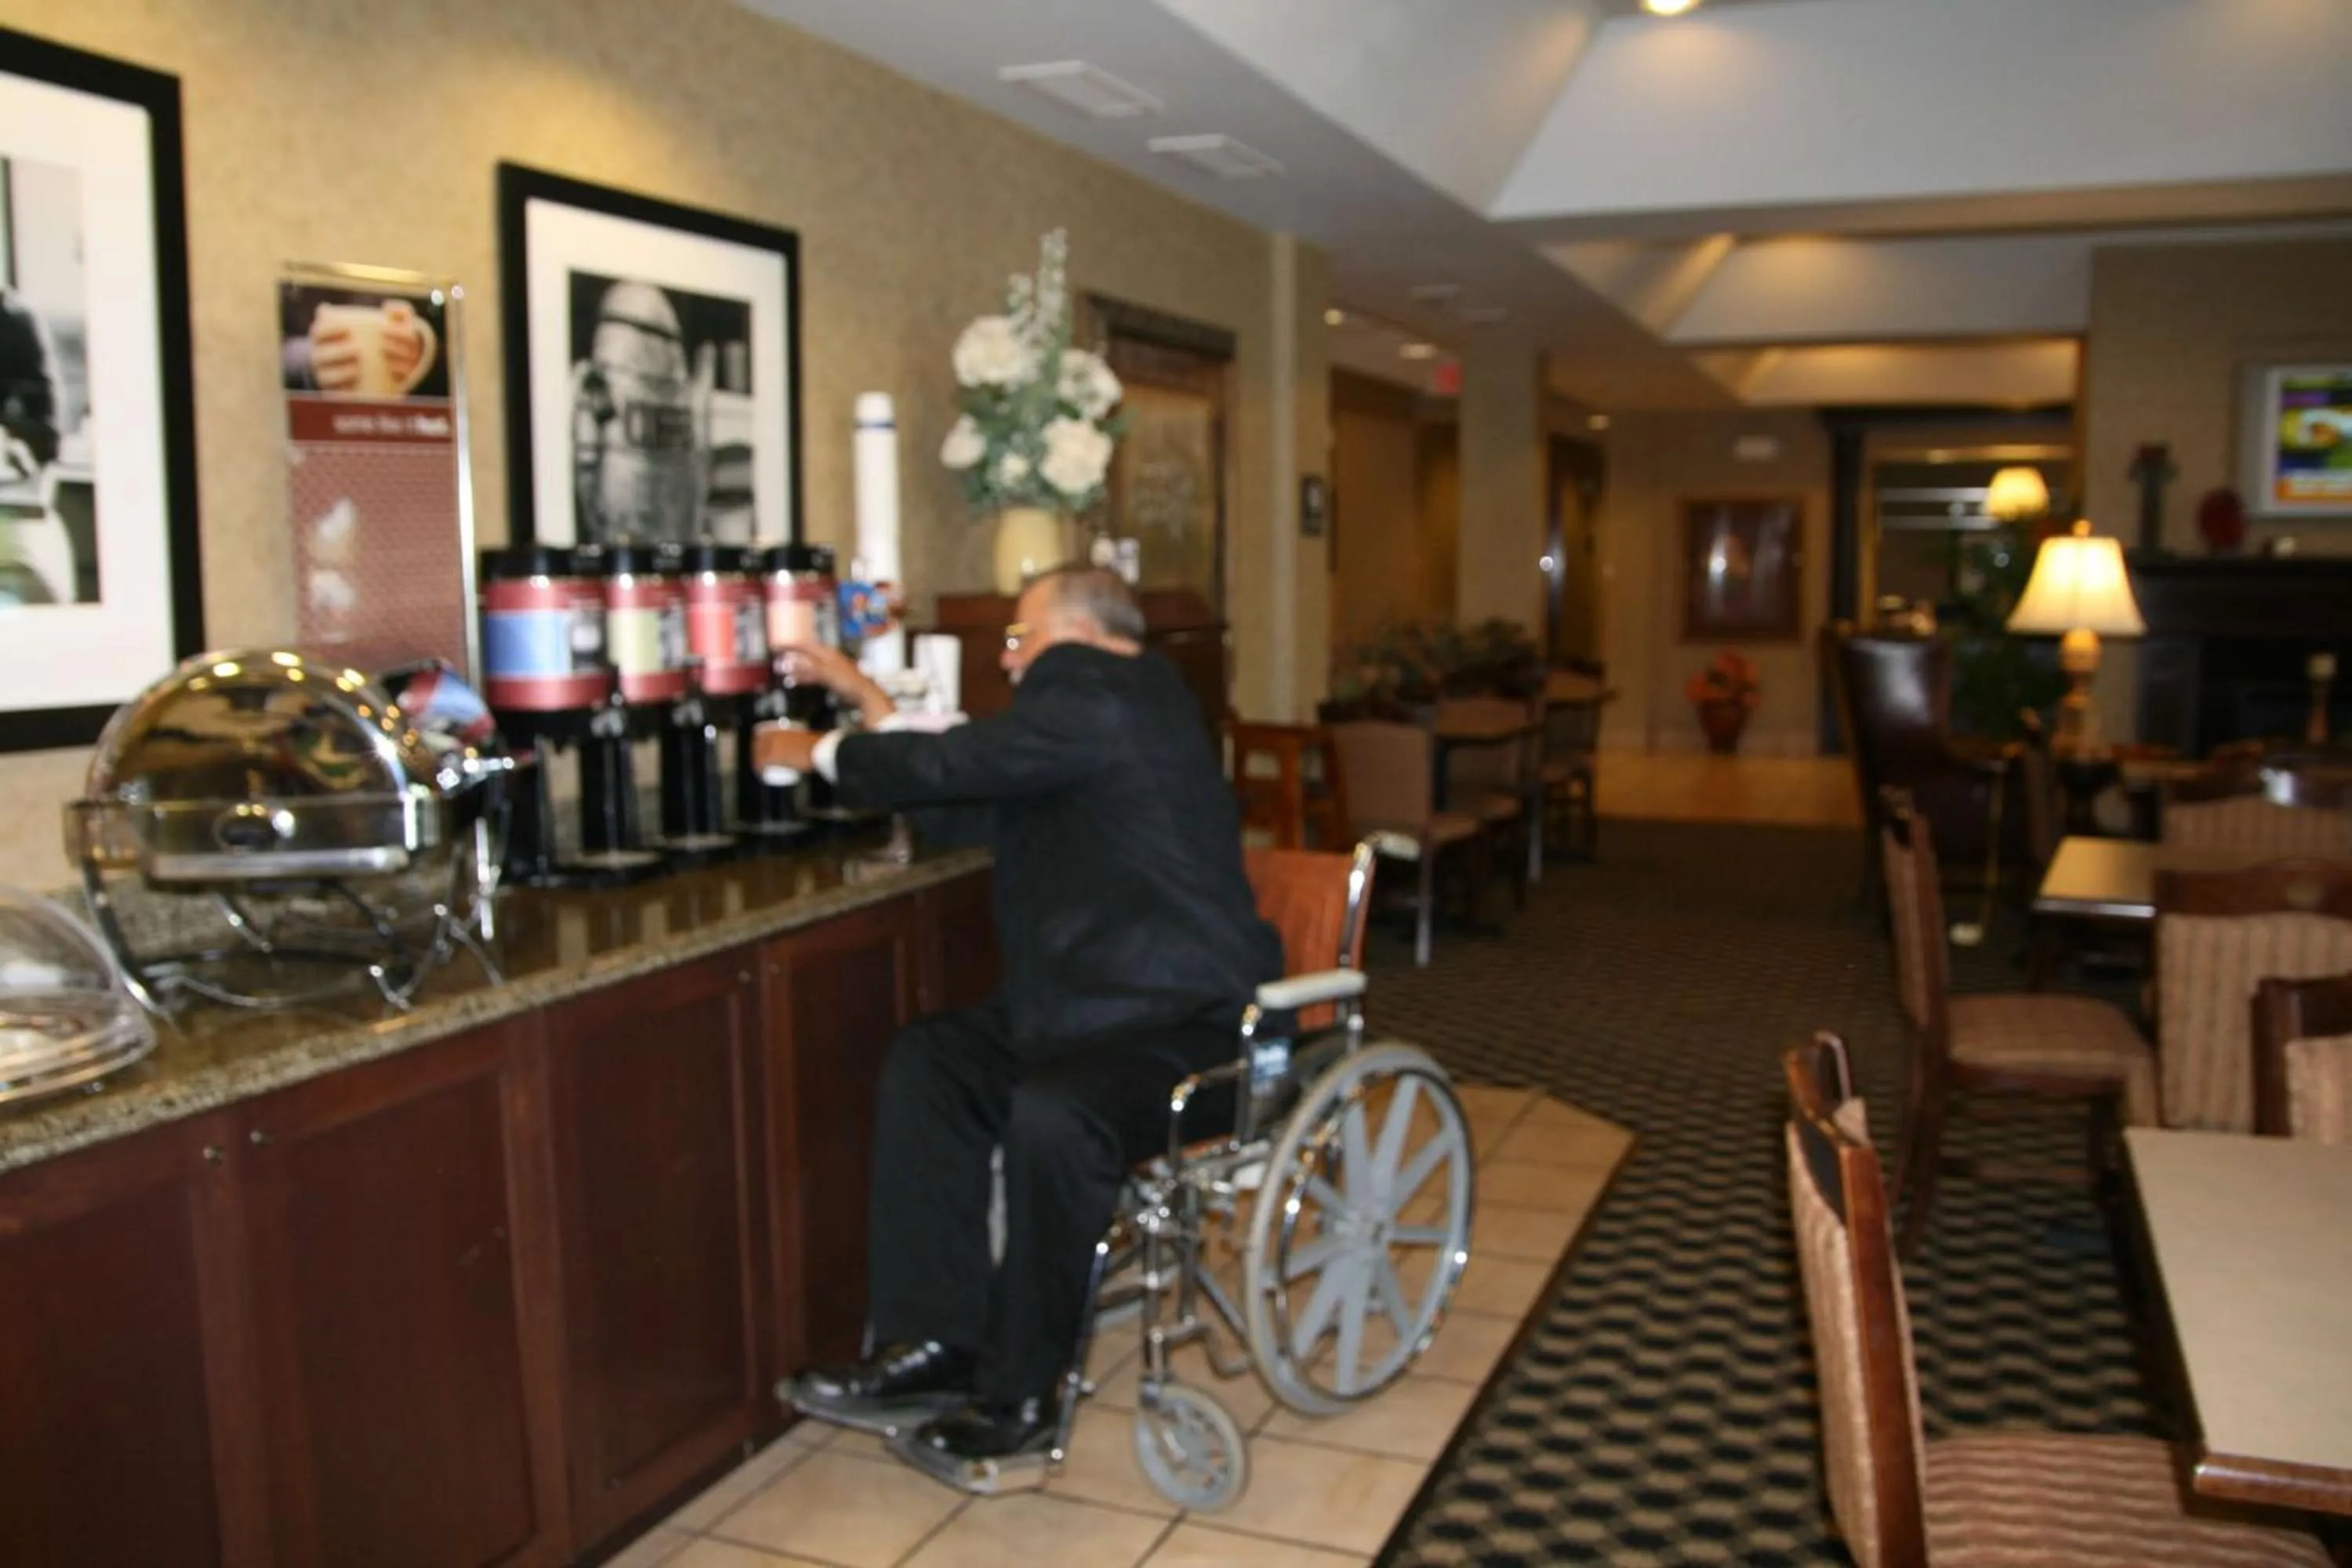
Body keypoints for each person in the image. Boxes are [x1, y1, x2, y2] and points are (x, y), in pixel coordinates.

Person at [756, 564, 1281, 1469]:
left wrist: (817, 750)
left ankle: (1021, 1394)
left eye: (1017, 640)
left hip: (1190, 1022)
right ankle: (931, 1344)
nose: (1009, 663)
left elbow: (966, 761)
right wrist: (869, 697)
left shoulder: (1101, 688)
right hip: (1089, 1011)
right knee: (933, 1062)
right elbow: (973, 788)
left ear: (1074, 633)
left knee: (1055, 1113)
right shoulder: (1118, 711)